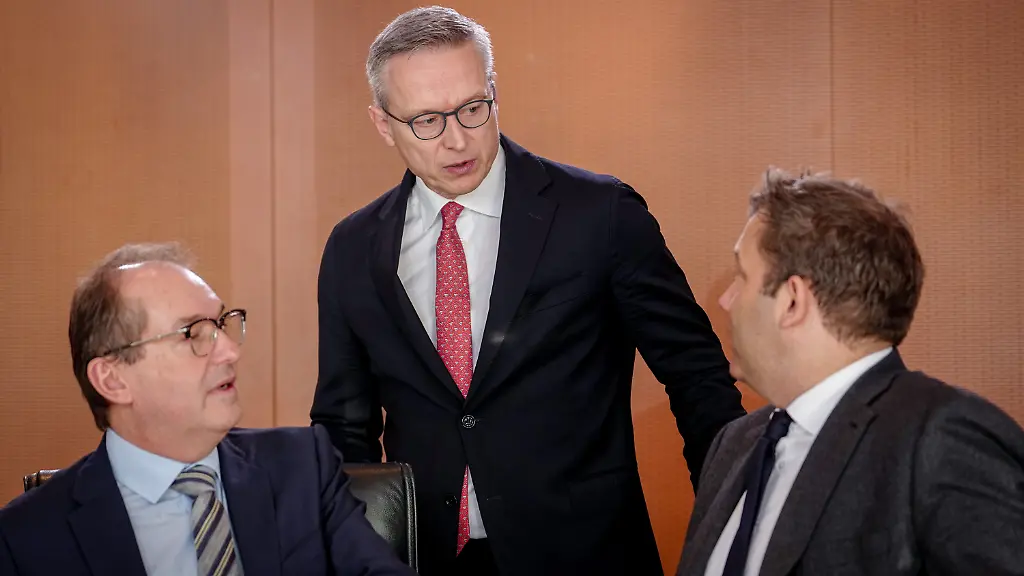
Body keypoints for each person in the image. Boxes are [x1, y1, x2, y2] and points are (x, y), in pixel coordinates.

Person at [310, 6, 745, 575]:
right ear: (383, 123)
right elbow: (344, 426)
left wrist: (735, 527)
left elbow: (698, 379)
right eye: (427, 121)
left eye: (473, 108)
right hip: (426, 559)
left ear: (494, 91)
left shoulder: (601, 214)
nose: (457, 139)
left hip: (587, 556)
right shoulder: (353, 247)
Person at [677, 170, 1024, 576]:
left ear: (792, 301)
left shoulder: (941, 437)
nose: (725, 300)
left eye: (741, 275)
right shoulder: (734, 445)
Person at [0, 243, 415, 576]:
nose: (230, 350)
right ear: (113, 379)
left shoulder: (303, 467)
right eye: (192, 334)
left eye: (221, 324)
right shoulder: (25, 537)